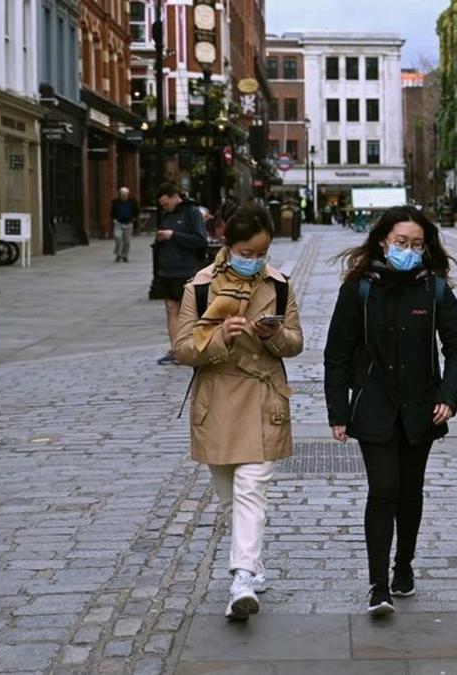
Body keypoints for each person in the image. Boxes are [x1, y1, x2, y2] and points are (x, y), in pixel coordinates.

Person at [323, 206, 457, 615]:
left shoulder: (434, 287)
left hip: (421, 407)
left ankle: (403, 564)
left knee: (410, 491)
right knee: (383, 490)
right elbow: (336, 352)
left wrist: (449, 395)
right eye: (401, 242)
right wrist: (338, 409)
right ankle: (379, 585)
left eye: (417, 244)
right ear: (383, 240)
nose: (408, 250)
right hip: (374, 405)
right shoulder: (360, 287)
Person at [173, 203, 304, 621]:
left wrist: (275, 334)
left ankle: (242, 578)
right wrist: (219, 340)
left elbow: (296, 342)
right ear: (227, 246)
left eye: (262, 251)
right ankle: (254, 562)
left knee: (252, 490)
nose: (255, 260)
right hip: (217, 400)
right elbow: (181, 349)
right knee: (231, 498)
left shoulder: (280, 284)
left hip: (264, 398)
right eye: (247, 252)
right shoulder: (199, 286)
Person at [153, 183, 208, 366]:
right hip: (167, 269)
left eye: (166, 204)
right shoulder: (167, 215)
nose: (164, 208)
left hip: (185, 269)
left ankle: (188, 348)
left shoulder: (192, 213)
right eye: (162, 205)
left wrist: (173, 235)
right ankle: (175, 349)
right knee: (170, 308)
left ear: (175, 197)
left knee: (187, 311)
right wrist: (161, 238)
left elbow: (200, 241)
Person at [111, 187, 140, 263]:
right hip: (118, 223)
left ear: (128, 194)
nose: (123, 196)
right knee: (118, 238)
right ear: (120, 194)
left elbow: (136, 210)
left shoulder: (132, 202)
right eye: (122, 194)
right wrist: (114, 218)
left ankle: (124, 255)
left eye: (125, 194)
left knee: (127, 241)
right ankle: (118, 254)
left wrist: (134, 218)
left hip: (129, 223)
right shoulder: (115, 202)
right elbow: (112, 211)